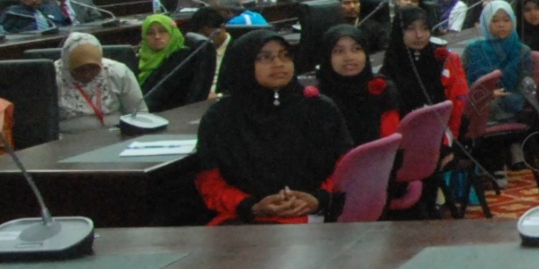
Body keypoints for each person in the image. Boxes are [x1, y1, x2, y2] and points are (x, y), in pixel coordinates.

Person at [193, 27, 351, 223]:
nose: (278, 64)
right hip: (243, 217)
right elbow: (209, 181)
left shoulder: (319, 108)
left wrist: (318, 199)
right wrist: (252, 206)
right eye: (265, 58)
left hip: (312, 214)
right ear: (244, 63)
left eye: (285, 56)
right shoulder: (221, 116)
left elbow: (346, 168)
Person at [312, 24, 399, 144]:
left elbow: (390, 143)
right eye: (339, 51)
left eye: (356, 49)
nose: (349, 57)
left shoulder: (382, 90)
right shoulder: (316, 101)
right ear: (327, 57)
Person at [385, 5, 468, 130]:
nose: (419, 35)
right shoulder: (390, 69)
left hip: (439, 134)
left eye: (425, 29)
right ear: (399, 31)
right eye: (410, 29)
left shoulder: (436, 61)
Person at [462, 0, 536, 121]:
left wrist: (497, 98)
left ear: (513, 21)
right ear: (485, 23)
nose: (501, 25)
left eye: (506, 20)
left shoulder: (522, 51)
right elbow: (462, 81)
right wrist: (484, 95)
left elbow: (524, 88)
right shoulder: (473, 49)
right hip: (475, 101)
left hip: (507, 106)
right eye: (495, 20)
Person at [57, 33, 148, 130]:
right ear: (68, 66)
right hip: (69, 140)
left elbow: (139, 112)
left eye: (93, 68)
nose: (87, 74)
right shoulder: (53, 78)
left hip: (117, 135)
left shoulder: (117, 72)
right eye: (80, 70)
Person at [134, 13, 202, 109]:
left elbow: (159, 95)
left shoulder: (182, 59)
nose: (157, 36)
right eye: (150, 33)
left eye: (163, 31)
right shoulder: (140, 57)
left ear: (172, 32)